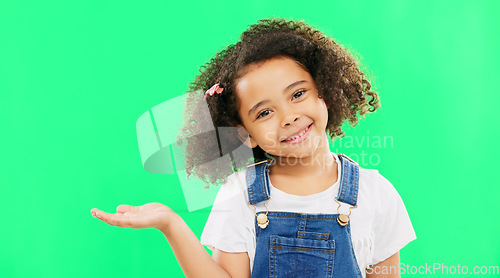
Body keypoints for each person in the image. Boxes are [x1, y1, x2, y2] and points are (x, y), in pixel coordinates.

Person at [91, 18, 416, 278]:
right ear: (245, 134)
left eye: (298, 94)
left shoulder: (376, 194)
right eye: (264, 112)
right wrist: (171, 224)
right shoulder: (239, 195)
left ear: (324, 91)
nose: (288, 117)